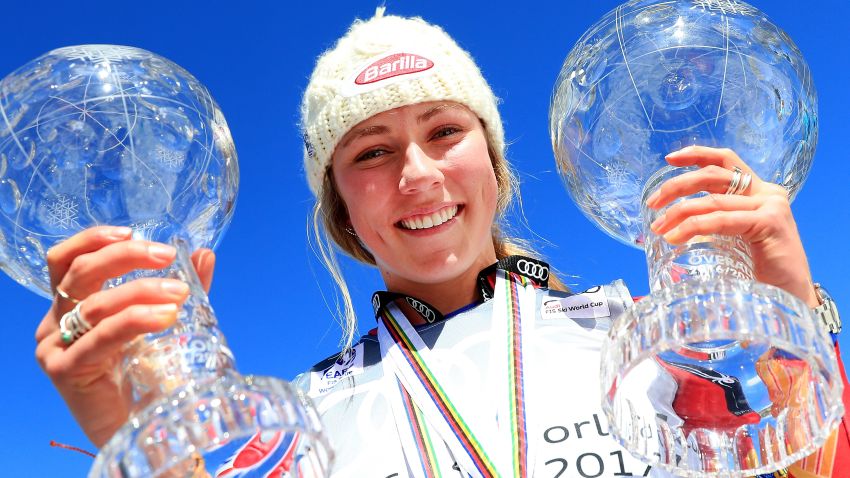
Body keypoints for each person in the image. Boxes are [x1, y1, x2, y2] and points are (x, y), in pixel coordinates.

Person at [34, 9, 848, 478]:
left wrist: (789, 311)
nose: (417, 174)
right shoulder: (310, 421)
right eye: (372, 151)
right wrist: (120, 422)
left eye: (445, 131)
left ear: (494, 164)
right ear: (343, 209)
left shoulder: (646, 342)